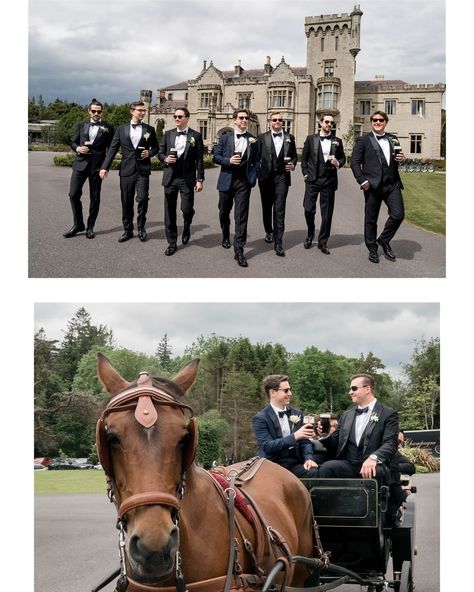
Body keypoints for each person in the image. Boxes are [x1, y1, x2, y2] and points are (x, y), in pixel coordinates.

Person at [315, 373, 399, 479]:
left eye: (354, 388)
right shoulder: (346, 415)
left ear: (367, 389)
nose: (350, 392)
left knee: (374, 472)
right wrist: (325, 435)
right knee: (327, 468)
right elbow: (336, 443)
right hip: (348, 464)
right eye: (350, 389)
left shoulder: (388, 413)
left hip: (374, 464)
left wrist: (373, 458)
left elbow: (390, 443)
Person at [350, 110, 406, 263]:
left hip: (392, 184)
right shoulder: (363, 140)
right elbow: (355, 162)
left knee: (398, 215)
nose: (377, 122)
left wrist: (402, 159)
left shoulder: (393, 139)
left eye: (381, 120)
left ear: (386, 122)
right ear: (371, 122)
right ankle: (372, 248)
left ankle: (384, 239)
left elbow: (398, 158)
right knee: (371, 219)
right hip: (372, 186)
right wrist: (362, 181)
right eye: (374, 120)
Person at [100, 101, 159, 243]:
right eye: (140, 110)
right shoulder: (121, 129)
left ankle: (141, 228)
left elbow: (156, 148)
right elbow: (112, 149)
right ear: (132, 111)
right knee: (126, 201)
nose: (143, 113)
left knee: (143, 199)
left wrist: (149, 153)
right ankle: (127, 230)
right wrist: (104, 167)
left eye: (144, 110)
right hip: (126, 170)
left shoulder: (149, 129)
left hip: (143, 170)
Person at [213, 109, 259, 267]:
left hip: (244, 182)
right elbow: (215, 156)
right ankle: (225, 234)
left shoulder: (254, 139)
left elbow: (258, 161)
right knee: (223, 211)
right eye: (241, 118)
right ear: (235, 120)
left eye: (246, 118)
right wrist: (228, 160)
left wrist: (254, 175)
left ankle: (239, 250)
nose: (244, 120)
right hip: (226, 179)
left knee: (241, 216)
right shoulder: (225, 138)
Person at [63, 99, 114, 239]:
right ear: (89, 111)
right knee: (73, 194)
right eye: (94, 111)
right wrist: (78, 148)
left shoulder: (108, 127)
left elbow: (112, 149)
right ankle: (78, 224)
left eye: (99, 111)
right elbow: (73, 142)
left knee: (95, 197)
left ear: (102, 112)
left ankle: (90, 227)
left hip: (97, 168)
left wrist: (105, 167)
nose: (96, 113)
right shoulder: (81, 125)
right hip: (80, 165)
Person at [158, 108, 205, 256]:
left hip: (187, 178)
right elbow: (160, 152)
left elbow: (199, 159)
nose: (177, 118)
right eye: (175, 116)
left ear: (187, 118)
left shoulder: (195, 136)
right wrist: (165, 159)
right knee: (169, 211)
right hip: (170, 177)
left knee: (186, 209)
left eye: (180, 116)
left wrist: (200, 179)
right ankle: (172, 242)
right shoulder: (168, 134)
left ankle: (186, 224)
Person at [252, 375, 319, 479]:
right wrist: (294, 437)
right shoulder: (260, 418)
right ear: (272, 393)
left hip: (294, 463)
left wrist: (308, 458)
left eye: (290, 390)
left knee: (314, 473)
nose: (290, 394)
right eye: (286, 390)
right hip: (272, 465)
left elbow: (305, 441)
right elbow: (267, 446)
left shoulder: (297, 413)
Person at [300, 113, 346, 254]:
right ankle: (310, 233)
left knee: (327, 214)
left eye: (331, 122)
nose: (329, 124)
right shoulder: (310, 139)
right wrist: (306, 174)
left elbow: (342, 158)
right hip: (312, 180)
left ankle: (323, 242)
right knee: (308, 209)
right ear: (320, 123)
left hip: (329, 181)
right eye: (326, 122)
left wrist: (338, 162)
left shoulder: (337, 140)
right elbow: (304, 159)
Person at [257, 113, 297, 257]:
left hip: (282, 178)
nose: (278, 122)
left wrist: (292, 164)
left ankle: (278, 243)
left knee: (280, 209)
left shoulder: (289, 138)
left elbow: (294, 156)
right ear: (270, 122)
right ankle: (269, 231)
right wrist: (257, 174)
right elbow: (256, 157)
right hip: (265, 179)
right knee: (267, 208)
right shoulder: (261, 138)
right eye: (275, 120)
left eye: (280, 120)